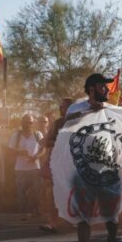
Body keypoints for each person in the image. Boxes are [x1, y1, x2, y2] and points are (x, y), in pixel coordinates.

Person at [65, 73, 121, 242]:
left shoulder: (112, 110)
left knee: (111, 214)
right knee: (83, 215)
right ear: (91, 88)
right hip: (82, 170)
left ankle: (112, 241)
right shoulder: (76, 108)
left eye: (106, 86)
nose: (106, 89)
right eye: (102, 86)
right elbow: (67, 125)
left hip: (108, 169)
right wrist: (89, 111)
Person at [39, 97, 74, 233]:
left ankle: (72, 220)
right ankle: (52, 223)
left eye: (64, 107)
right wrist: (61, 142)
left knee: (74, 193)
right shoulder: (58, 123)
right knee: (53, 193)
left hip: (75, 164)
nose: (62, 109)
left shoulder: (81, 122)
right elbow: (47, 142)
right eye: (61, 107)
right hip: (59, 163)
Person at [7, 114, 44, 218]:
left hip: (35, 168)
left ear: (33, 123)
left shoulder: (38, 134)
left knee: (37, 191)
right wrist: (21, 153)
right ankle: (24, 213)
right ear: (22, 122)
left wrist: (36, 157)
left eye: (30, 122)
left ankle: (37, 211)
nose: (28, 124)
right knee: (21, 192)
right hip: (20, 169)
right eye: (26, 122)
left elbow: (43, 149)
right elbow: (9, 151)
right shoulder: (16, 135)